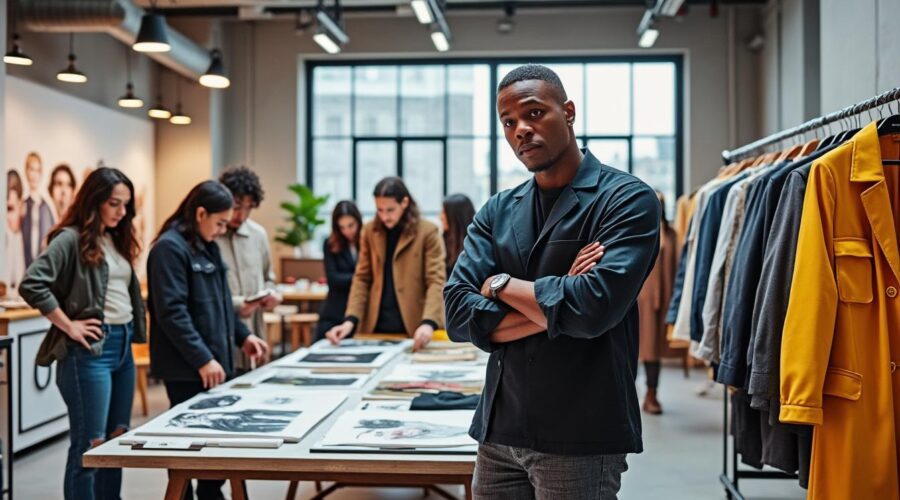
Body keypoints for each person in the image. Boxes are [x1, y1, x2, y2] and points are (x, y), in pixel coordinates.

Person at [444, 64, 661, 499]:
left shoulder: (627, 199)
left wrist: (500, 284)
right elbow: (457, 313)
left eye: (534, 113)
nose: (521, 129)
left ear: (568, 112)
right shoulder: (497, 211)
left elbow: (592, 309)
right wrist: (560, 291)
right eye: (509, 122)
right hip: (498, 430)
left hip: (580, 432)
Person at [18, 167, 146, 500]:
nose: (122, 212)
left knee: (116, 443)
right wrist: (69, 324)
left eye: (126, 206)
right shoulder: (70, 238)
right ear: (94, 201)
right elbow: (32, 283)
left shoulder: (113, 238)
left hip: (122, 348)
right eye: (114, 204)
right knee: (90, 446)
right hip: (90, 352)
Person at [147, 180, 269, 500]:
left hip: (215, 363)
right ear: (200, 213)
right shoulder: (168, 249)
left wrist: (244, 337)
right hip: (186, 367)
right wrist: (202, 358)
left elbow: (222, 301)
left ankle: (212, 495)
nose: (222, 230)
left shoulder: (208, 245)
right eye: (220, 223)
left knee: (215, 443)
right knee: (188, 448)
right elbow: (172, 313)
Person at [325, 177, 446, 351]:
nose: (384, 216)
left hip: (414, 325)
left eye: (390, 210)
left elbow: (436, 280)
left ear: (405, 202)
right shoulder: (369, 231)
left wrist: (428, 322)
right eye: (379, 210)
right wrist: (350, 320)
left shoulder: (428, 232)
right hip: (375, 325)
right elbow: (362, 278)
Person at [215, 166, 282, 368]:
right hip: (222, 335)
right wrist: (239, 304)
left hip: (255, 333)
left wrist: (272, 294)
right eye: (236, 206)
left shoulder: (258, 235)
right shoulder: (212, 235)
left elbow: (268, 278)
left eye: (249, 208)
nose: (241, 215)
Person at [637, 191, 678, 415]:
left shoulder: (671, 235)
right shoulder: (636, 230)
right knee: (630, 348)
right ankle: (628, 396)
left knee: (652, 349)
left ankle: (651, 394)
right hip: (634, 300)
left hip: (659, 300)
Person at [316, 200, 363, 340]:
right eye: (342, 227)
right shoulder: (331, 243)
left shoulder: (368, 241)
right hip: (334, 311)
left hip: (359, 313)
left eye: (351, 225)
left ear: (358, 221)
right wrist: (362, 277)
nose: (347, 231)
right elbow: (333, 279)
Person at [21, 152, 56, 269]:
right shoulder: (22, 206)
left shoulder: (46, 207)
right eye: (31, 169)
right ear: (26, 171)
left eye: (37, 170)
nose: (34, 175)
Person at [441, 194, 476, 278]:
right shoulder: (442, 240)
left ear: (455, 217)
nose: (440, 217)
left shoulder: (474, 245)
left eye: (444, 213)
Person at [4, 170, 26, 293]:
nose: (6, 217)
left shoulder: (18, 237)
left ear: (21, 207)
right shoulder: (8, 235)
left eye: (10, 209)